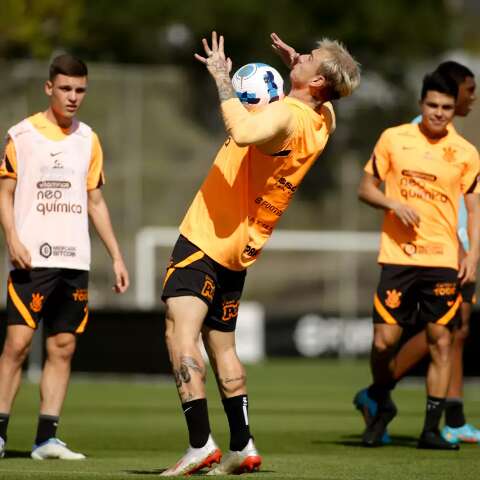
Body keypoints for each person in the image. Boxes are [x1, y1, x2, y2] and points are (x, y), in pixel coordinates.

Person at [160, 31, 360, 476]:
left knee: (179, 333)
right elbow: (327, 102)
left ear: (319, 82)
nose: (302, 54)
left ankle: (199, 445)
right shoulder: (322, 120)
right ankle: (243, 445)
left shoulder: (287, 115)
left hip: (209, 236)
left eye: (312, 58)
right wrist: (303, 68)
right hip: (242, 245)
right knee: (221, 344)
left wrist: (221, 79)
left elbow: (246, 131)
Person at [0, 54, 129, 460]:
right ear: (49, 88)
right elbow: (4, 195)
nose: (73, 97)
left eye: (80, 90)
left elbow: (95, 201)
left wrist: (117, 256)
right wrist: (12, 239)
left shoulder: (88, 139)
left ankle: (46, 438)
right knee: (17, 345)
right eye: (66, 89)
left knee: (63, 347)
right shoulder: (21, 136)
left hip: (75, 260)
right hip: (31, 259)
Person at [354, 61, 479, 445]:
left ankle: (441, 423)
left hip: (446, 257)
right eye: (468, 91)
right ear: (425, 102)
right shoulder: (397, 138)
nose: (469, 100)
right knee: (386, 341)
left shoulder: (465, 151)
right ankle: (377, 395)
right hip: (400, 257)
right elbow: (366, 187)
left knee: (449, 336)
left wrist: (471, 254)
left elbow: (473, 208)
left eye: (447, 105)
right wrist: (393, 204)